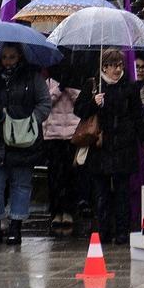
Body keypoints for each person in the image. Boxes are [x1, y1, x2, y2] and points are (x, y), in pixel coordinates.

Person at [76, 49, 144, 248]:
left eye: (120, 65)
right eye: (113, 66)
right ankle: (103, 231)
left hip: (123, 146)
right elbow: (79, 110)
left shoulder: (129, 87)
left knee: (122, 193)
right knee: (101, 194)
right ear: (104, 67)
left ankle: (122, 232)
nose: (117, 70)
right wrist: (94, 103)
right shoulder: (93, 84)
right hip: (100, 147)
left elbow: (138, 117)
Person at [0, 42, 53, 246]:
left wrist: (32, 120)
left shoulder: (33, 78)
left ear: (20, 57)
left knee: (21, 184)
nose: (8, 61)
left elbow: (44, 103)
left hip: (23, 139)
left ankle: (16, 225)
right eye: (4, 57)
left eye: (12, 57)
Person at [41, 75, 85, 238]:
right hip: (53, 136)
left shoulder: (77, 81)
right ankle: (56, 211)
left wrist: (70, 89)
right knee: (54, 176)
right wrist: (58, 90)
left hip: (72, 134)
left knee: (70, 175)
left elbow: (81, 105)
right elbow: (45, 104)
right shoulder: (48, 83)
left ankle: (68, 210)